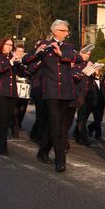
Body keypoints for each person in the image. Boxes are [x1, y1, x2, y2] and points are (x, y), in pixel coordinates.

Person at [23, 20, 77, 173]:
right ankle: (60, 161)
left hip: (66, 91)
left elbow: (76, 59)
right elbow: (25, 61)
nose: (67, 33)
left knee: (58, 124)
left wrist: (61, 54)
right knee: (56, 126)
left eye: (67, 30)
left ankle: (43, 151)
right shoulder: (44, 46)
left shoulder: (69, 47)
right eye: (64, 30)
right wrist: (38, 51)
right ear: (55, 31)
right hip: (51, 91)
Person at [0, 37, 23, 155]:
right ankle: (1, 146)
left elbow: (21, 73)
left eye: (11, 45)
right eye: (7, 44)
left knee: (8, 119)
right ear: (2, 45)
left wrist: (19, 63)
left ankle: (0, 142)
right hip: (0, 92)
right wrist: (10, 62)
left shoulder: (12, 59)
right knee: (3, 118)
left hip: (11, 92)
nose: (9, 47)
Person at [11, 45, 30, 138]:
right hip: (14, 88)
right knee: (14, 109)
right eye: (18, 51)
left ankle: (18, 123)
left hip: (25, 88)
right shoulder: (12, 61)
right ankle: (15, 127)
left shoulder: (26, 61)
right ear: (15, 52)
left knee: (22, 109)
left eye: (21, 51)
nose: (20, 53)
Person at [87, 69, 105, 140]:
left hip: (100, 102)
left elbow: (103, 91)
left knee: (99, 119)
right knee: (85, 117)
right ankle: (98, 135)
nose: (98, 73)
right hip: (92, 101)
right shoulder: (90, 80)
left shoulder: (102, 81)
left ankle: (90, 128)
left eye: (99, 71)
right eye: (96, 71)